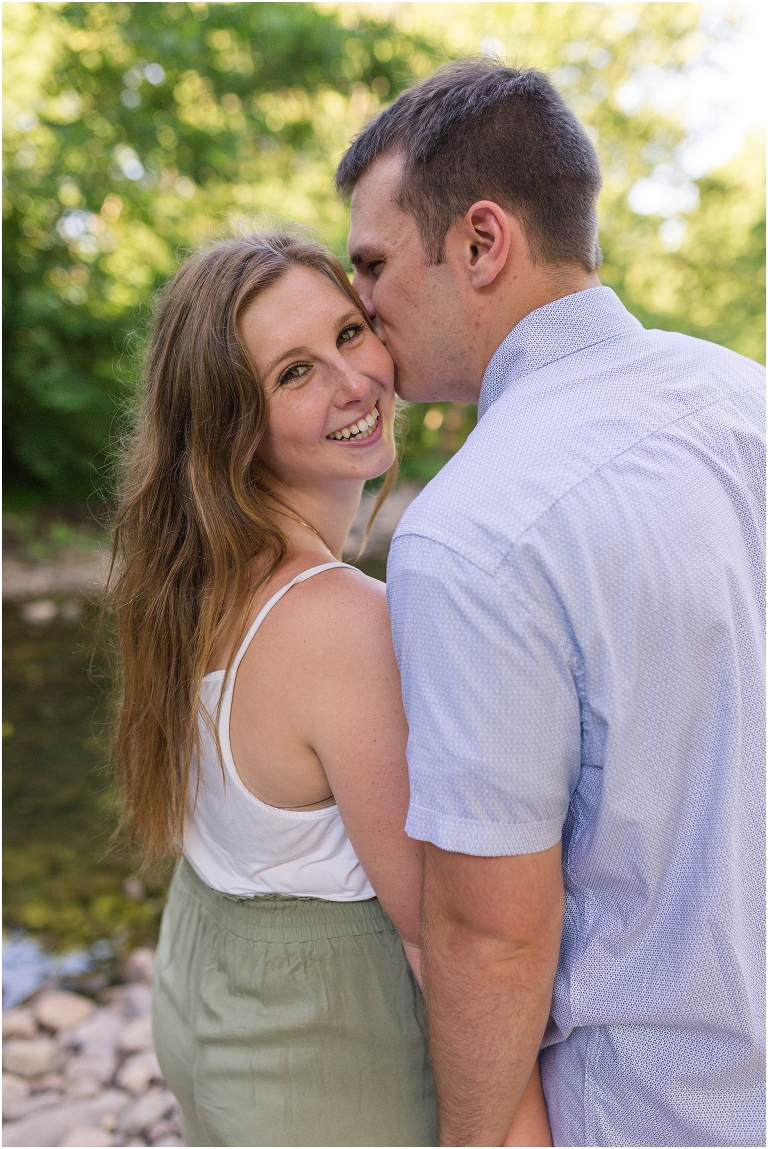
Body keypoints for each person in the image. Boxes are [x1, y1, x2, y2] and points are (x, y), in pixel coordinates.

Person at [337, 60, 766, 1147]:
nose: (362, 305)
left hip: (665, 1113)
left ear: (482, 243)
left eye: (375, 263)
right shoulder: (749, 401)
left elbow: (493, 934)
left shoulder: (469, 531)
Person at [105, 229, 548, 1147]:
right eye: (292, 373)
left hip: (215, 995)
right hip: (324, 1055)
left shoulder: (189, 577)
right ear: (232, 421)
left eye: (350, 334)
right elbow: (444, 933)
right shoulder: (342, 620)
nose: (353, 382)